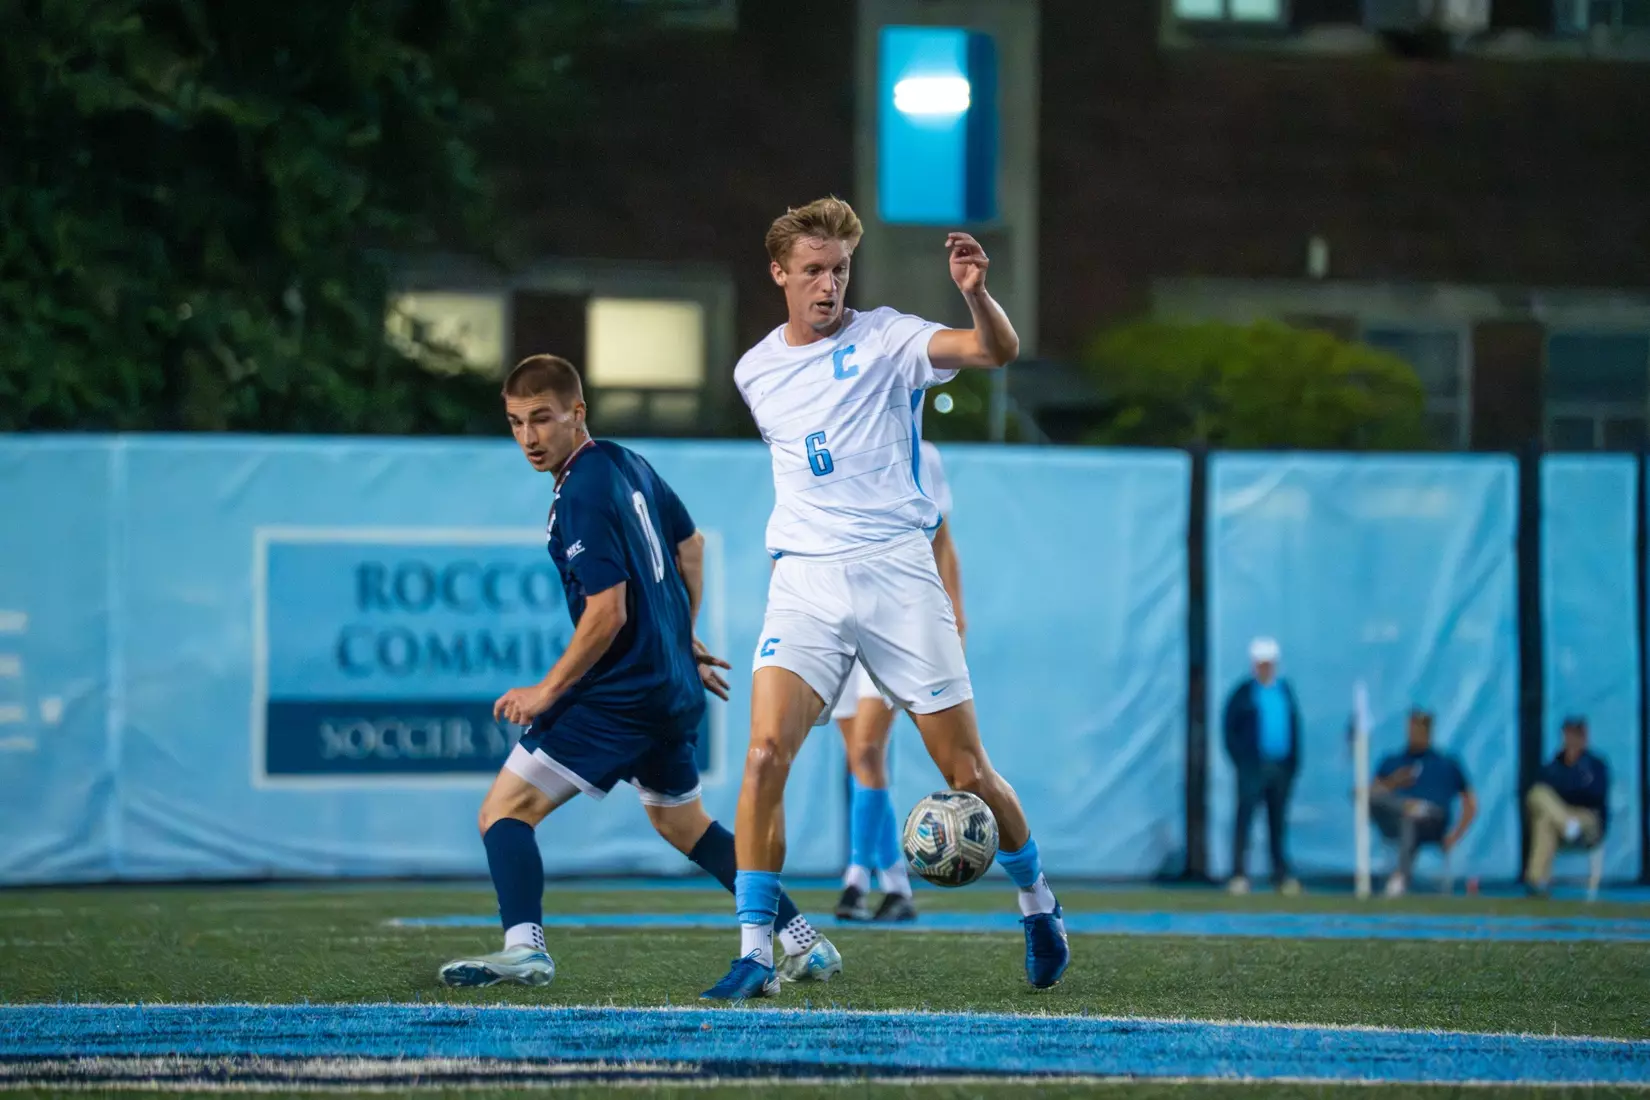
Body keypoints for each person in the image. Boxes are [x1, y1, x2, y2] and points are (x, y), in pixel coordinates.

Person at [702, 196, 1068, 1001]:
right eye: (812, 272)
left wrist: (976, 293)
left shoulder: (891, 338)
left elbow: (995, 351)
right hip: (803, 578)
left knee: (965, 769)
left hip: (898, 574)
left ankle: (1038, 903)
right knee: (765, 755)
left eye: (838, 271)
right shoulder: (753, 371)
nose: (828, 286)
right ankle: (756, 949)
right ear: (779, 275)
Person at [438, 355, 840, 988]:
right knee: (683, 823)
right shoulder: (626, 462)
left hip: (619, 696)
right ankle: (802, 940)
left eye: (542, 420)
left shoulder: (581, 491)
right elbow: (691, 546)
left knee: (504, 811)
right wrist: (680, 637)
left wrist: (547, 690)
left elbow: (607, 612)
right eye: (516, 423)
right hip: (670, 688)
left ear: (578, 414)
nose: (528, 438)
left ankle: (525, 948)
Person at [832, 438, 963, 924]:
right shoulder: (818, 433)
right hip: (831, 612)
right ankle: (896, 885)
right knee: (860, 759)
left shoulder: (918, 449)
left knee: (867, 750)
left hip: (893, 614)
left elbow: (942, 538)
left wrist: (957, 614)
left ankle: (855, 877)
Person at [1221, 636, 1303, 897]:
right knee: (1245, 820)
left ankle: (1280, 875)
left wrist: (1292, 763)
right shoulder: (1244, 693)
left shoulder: (1284, 691)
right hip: (1252, 768)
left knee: (1277, 824)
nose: (1265, 668)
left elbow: (1294, 728)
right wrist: (1242, 761)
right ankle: (1238, 874)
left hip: (1280, 768)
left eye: (1268, 663)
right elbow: (1229, 729)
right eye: (1261, 663)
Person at [1370, 708, 1477, 898]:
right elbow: (1369, 795)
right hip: (1394, 819)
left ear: (1429, 730)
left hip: (1433, 822)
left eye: (1421, 728)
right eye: (1413, 727)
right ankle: (1408, 807)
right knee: (1402, 815)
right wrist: (1394, 782)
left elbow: (1470, 803)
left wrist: (1455, 835)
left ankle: (1400, 877)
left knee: (1411, 821)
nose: (1415, 733)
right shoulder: (1393, 762)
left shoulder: (1446, 764)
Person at [1524, 716, 1609, 898]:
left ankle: (1536, 880)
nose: (1572, 740)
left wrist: (1569, 787)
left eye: (1577, 735)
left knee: (1546, 817)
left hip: (1587, 821)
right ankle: (1537, 882)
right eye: (1569, 735)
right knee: (1539, 800)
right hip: (1563, 820)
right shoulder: (1555, 765)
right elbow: (1540, 789)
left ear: (1584, 737)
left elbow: (1594, 794)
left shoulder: (1595, 765)